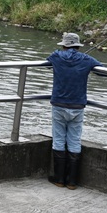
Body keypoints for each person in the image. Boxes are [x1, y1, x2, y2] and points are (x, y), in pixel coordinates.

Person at [44, 33, 102, 190]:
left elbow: (48, 61)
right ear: (78, 46)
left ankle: (58, 179)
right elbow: (103, 71)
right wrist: (87, 64)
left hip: (58, 104)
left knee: (58, 139)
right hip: (77, 106)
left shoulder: (56, 56)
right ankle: (72, 182)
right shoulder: (86, 59)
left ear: (63, 45)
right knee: (74, 140)